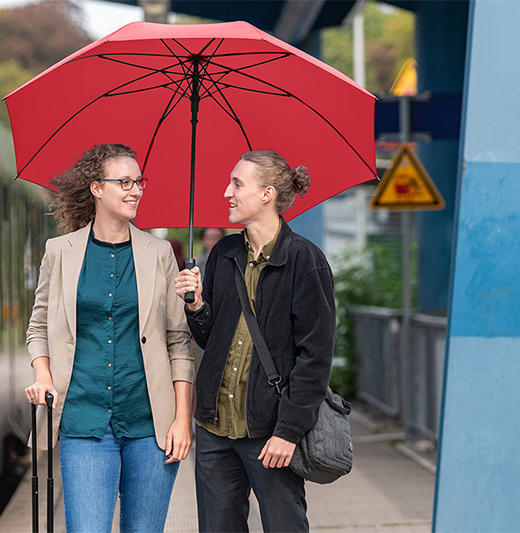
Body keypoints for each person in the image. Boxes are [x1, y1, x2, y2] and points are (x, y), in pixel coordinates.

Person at [25, 143, 194, 532]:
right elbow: (38, 326)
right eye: (124, 182)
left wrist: (181, 419)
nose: (135, 190)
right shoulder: (60, 251)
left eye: (139, 181)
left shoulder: (160, 253)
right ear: (96, 188)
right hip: (82, 421)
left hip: (150, 425)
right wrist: (43, 375)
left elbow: (178, 342)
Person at [173, 150, 336, 532]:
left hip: (270, 431)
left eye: (236, 183)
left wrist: (289, 431)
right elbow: (209, 339)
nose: (226, 192)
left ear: (267, 194)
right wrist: (196, 304)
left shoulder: (304, 260)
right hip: (215, 429)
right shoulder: (224, 254)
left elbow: (315, 357)